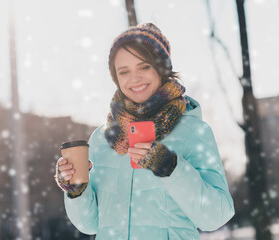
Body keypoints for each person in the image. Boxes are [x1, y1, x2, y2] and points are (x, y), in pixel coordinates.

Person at [54, 22, 235, 240]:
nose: (134, 78)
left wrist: (171, 168)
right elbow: (90, 224)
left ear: (161, 69)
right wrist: (76, 189)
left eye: (144, 66)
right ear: (116, 78)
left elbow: (216, 216)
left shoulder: (194, 132)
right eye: (124, 71)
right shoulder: (103, 139)